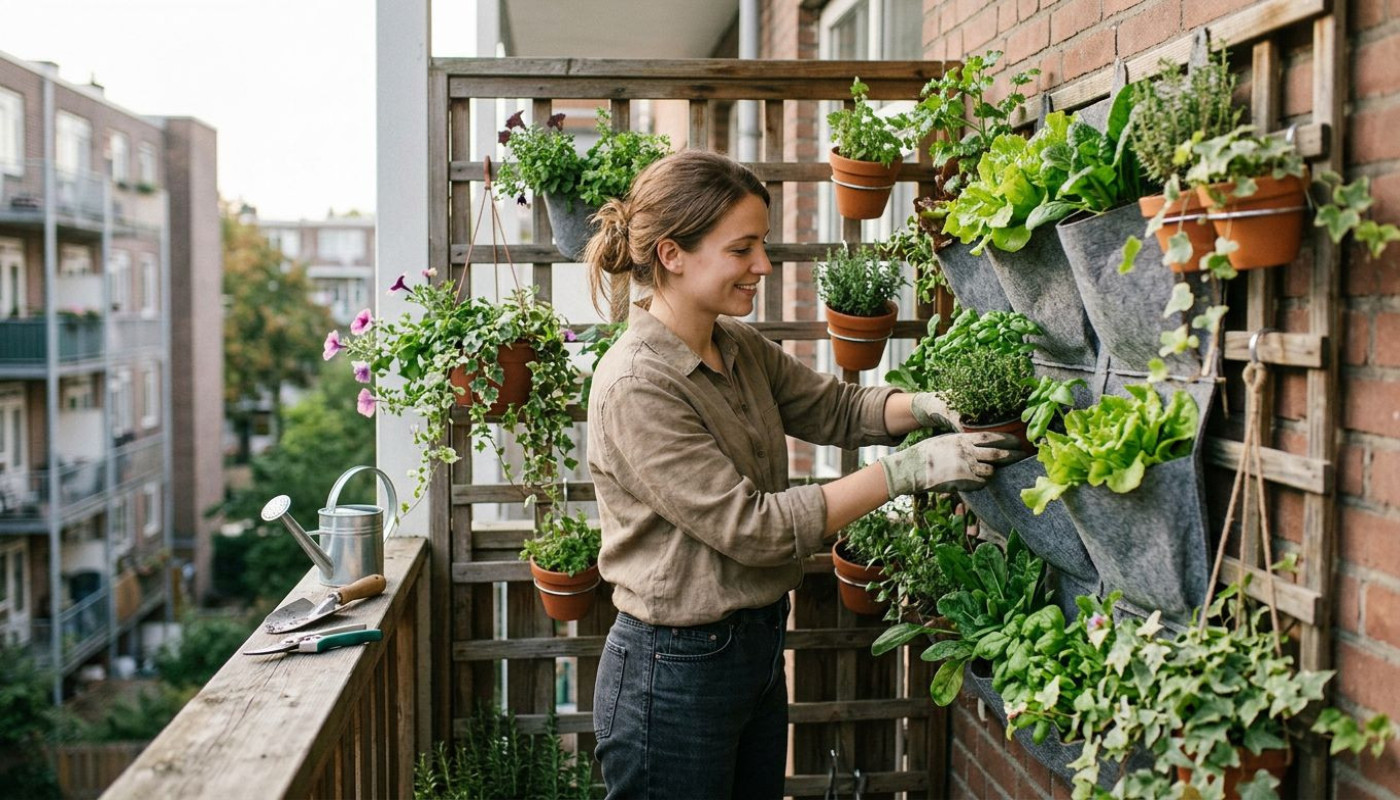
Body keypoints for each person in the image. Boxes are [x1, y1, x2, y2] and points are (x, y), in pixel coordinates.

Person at [582, 149, 1017, 799]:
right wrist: (906, 472)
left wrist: (925, 406)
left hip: (751, 649)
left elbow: (835, 407)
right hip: (670, 673)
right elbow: (751, 528)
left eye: (762, 245)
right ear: (672, 254)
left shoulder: (734, 346)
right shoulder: (637, 386)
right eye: (743, 249)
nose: (763, 265)